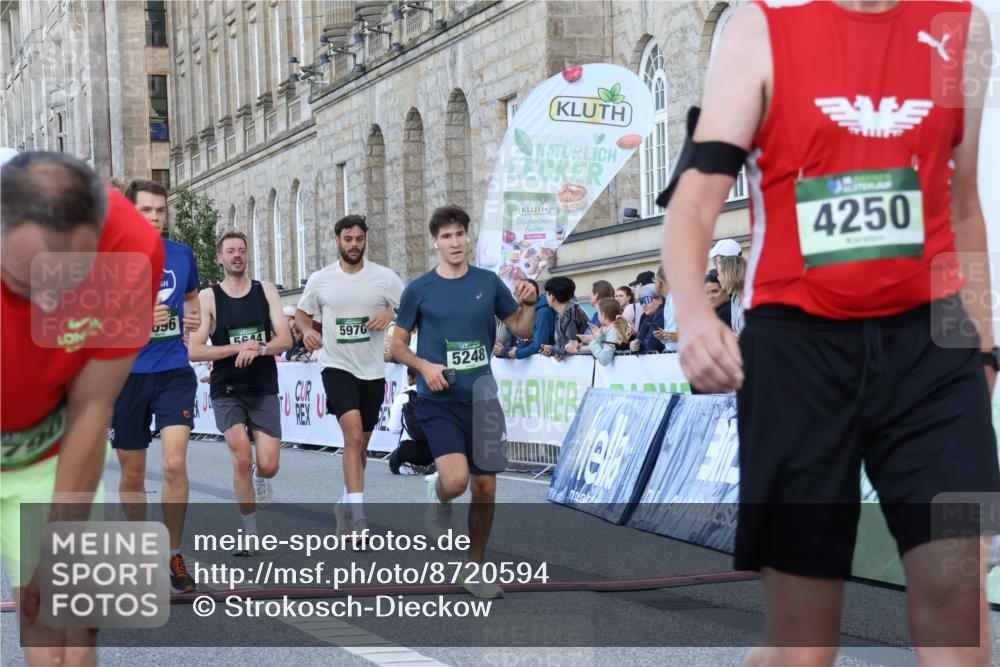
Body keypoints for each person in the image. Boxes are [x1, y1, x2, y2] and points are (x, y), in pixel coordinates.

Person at [659, 2, 997, 664]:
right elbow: (695, 200)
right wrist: (694, 315)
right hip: (798, 354)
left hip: (933, 350)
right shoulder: (761, 30)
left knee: (959, 615)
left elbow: (963, 208)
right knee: (804, 648)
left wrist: (985, 348)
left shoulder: (966, 29)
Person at [2, 151, 165, 666]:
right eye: (28, 280)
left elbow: (93, 407)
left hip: (45, 438)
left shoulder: (134, 249)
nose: (46, 306)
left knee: (66, 632)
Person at [389, 205, 537, 600]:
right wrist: (424, 365)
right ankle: (438, 492)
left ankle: (475, 568)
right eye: (446, 236)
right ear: (435, 241)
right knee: (456, 481)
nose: (454, 242)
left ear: (467, 237)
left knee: (486, 487)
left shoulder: (488, 283)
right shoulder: (419, 289)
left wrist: (532, 301)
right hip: (438, 399)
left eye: (460, 234)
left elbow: (521, 330)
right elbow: (396, 344)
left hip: (483, 398)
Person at [110, 179, 201, 594]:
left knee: (174, 464)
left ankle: (174, 552)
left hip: (173, 371)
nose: (154, 218)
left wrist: (196, 323)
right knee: (132, 474)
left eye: (160, 211)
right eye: (146, 211)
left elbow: (193, 298)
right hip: (126, 375)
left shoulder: (182, 255)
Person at [296, 214, 404, 545]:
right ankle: (359, 519)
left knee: (361, 448)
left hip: (372, 370)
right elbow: (303, 313)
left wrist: (392, 313)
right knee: (353, 437)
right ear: (338, 241)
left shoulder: (384, 278)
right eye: (348, 239)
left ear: (365, 240)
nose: (353, 244)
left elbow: (410, 308)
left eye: (359, 239)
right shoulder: (321, 279)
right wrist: (305, 331)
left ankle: (345, 501)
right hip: (336, 366)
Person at [188, 231, 291, 554]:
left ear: (247, 255)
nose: (236, 256)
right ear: (220, 258)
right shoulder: (209, 297)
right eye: (230, 251)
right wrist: (237, 348)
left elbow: (286, 341)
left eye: (241, 250)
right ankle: (250, 532)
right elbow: (194, 350)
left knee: (269, 464)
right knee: (242, 458)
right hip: (227, 388)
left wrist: (259, 348)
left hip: (262, 385)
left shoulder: (267, 291)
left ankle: (261, 482)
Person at [386, 368, 435, 475]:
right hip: (435, 450)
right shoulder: (437, 396)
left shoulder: (403, 397)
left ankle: (409, 467)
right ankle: (431, 466)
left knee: (393, 463)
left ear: (409, 378)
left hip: (409, 450)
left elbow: (394, 428)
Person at [494, 279, 555, 360]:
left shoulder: (543, 312)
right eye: (515, 293)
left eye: (517, 292)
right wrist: (502, 351)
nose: (515, 296)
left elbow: (538, 345)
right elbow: (514, 344)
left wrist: (510, 352)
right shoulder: (519, 313)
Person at [540, 276, 589, 361]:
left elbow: (571, 345)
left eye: (547, 294)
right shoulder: (560, 316)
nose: (546, 297)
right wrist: (552, 350)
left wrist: (554, 350)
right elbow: (562, 345)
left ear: (552, 296)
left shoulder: (572, 312)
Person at [580, 297, 629, 366]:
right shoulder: (613, 329)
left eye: (598, 313)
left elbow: (604, 359)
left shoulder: (613, 331)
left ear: (603, 314)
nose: (598, 316)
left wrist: (592, 342)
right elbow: (606, 349)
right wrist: (600, 336)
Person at [629, 283, 665, 354]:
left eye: (646, 300)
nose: (643, 305)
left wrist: (638, 347)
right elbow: (638, 339)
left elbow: (651, 345)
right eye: (641, 302)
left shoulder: (662, 313)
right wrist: (634, 344)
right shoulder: (647, 316)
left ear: (660, 299)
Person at [717, 255, 747, 337]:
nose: (717, 278)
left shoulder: (753, 297)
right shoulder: (735, 296)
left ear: (729, 274)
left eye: (719, 274)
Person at [651, 266, 679, 351]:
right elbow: (673, 332)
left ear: (659, 283)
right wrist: (663, 336)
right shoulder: (669, 299)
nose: (654, 283)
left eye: (654, 280)